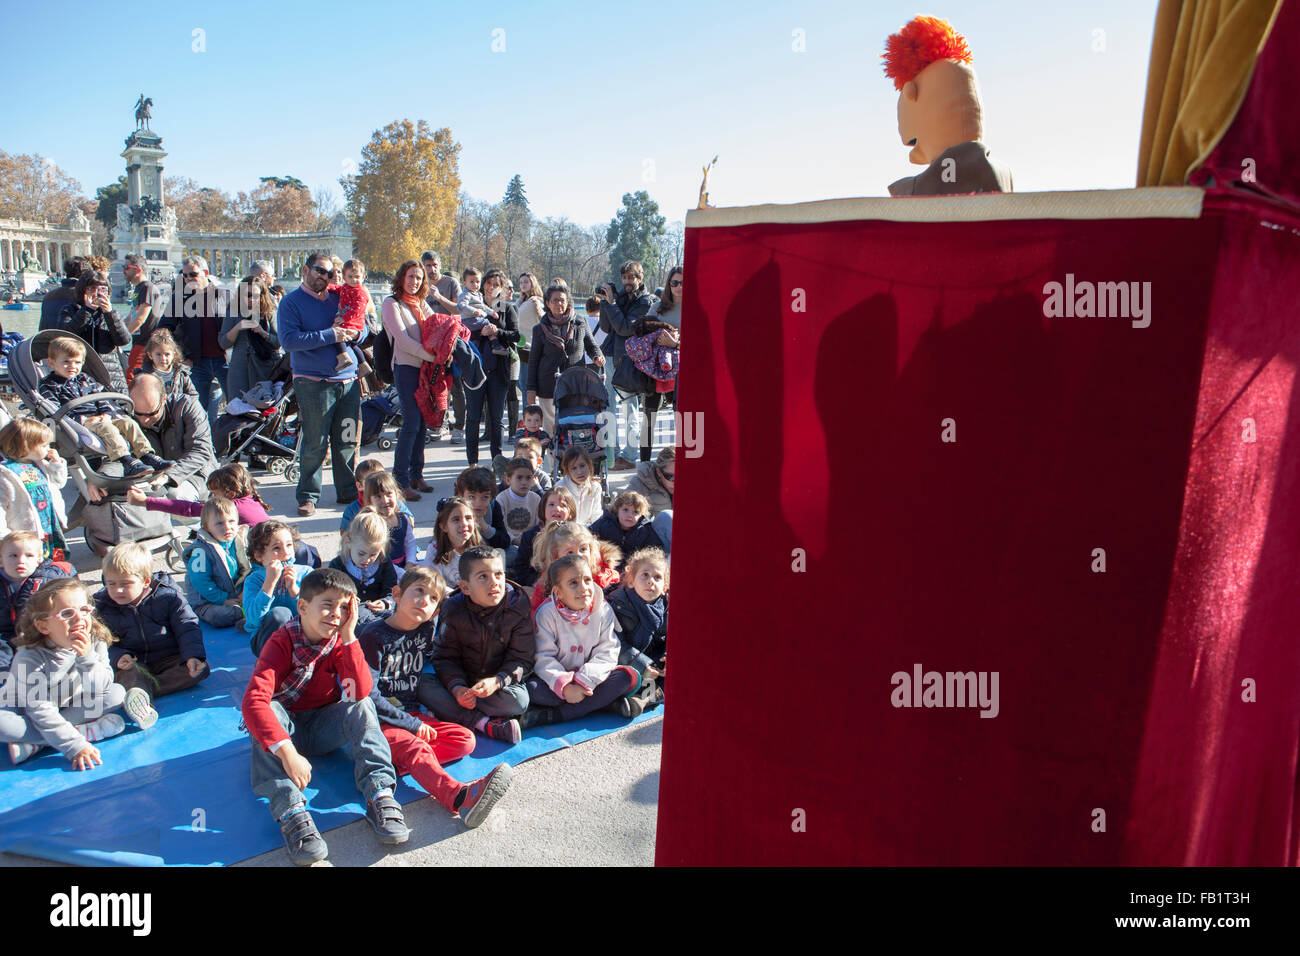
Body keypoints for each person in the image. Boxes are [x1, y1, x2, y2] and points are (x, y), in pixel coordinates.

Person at [241, 568, 409, 864]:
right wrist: (287, 752)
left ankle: (379, 793)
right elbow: (254, 700)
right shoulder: (282, 641)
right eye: (328, 605)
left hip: (320, 728)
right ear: (303, 607)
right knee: (269, 709)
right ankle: (291, 811)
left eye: (344, 607)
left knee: (361, 704)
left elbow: (358, 691)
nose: (336, 614)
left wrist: (349, 635)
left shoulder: (339, 642)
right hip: (285, 733)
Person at [359, 566, 513, 826]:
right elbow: (368, 695)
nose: (424, 601)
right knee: (416, 747)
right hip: (379, 722)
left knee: (465, 740)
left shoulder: (425, 630)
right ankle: (460, 798)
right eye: (419, 591)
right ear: (397, 594)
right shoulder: (373, 636)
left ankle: (393, 763)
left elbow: (450, 648)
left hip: (411, 714)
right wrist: (411, 725)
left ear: (436, 611)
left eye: (432, 598)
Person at [0, 579, 133, 767]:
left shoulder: (94, 639)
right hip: (24, 710)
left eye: (84, 610)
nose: (79, 619)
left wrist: (86, 658)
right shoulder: (29, 657)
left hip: (69, 703)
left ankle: (37, 743)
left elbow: (101, 686)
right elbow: (40, 709)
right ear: (43, 626)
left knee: (116, 693)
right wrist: (74, 745)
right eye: (67, 614)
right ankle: (84, 732)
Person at [278, 253, 367, 517]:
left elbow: (362, 327)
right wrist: (331, 335)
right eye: (320, 271)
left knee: (347, 439)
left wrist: (357, 333)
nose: (325, 277)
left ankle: (348, 492)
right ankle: (308, 495)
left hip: (348, 381)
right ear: (305, 270)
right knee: (315, 442)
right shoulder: (291, 302)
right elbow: (289, 341)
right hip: (313, 382)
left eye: (329, 273)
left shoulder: (340, 296)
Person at [424, 546, 533, 742]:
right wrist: (457, 687)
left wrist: (497, 681)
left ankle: (448, 712)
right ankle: (484, 724)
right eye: (483, 576)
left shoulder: (517, 605)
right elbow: (444, 656)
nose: (494, 582)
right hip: (462, 680)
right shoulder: (453, 608)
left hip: (496, 685)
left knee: (519, 701)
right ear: (465, 587)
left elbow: (521, 658)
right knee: (422, 685)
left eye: (499, 574)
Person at [94, 541, 206, 726]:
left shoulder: (169, 596)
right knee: (130, 675)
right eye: (111, 584)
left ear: (146, 581)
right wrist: (117, 656)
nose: (117, 590)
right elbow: (99, 640)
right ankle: (143, 708)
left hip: (167, 657)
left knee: (199, 670)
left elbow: (187, 626)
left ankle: (142, 692)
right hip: (133, 662)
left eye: (125, 584)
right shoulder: (102, 606)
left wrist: (193, 656)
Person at [522, 554, 640, 726]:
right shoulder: (546, 614)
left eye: (587, 580)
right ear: (558, 592)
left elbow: (608, 650)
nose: (583, 587)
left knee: (625, 678)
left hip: (592, 680)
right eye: (573, 583)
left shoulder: (602, 609)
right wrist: (565, 686)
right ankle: (603, 704)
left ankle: (555, 715)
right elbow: (542, 657)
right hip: (558, 682)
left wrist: (584, 681)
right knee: (533, 689)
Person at [38, 338, 167, 480]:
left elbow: (101, 398)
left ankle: (146, 454)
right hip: (77, 424)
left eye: (77, 362)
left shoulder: (85, 379)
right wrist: (83, 419)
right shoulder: (49, 385)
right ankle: (124, 460)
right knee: (107, 428)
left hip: (100, 418)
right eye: (66, 362)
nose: (72, 366)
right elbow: (54, 410)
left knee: (129, 423)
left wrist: (107, 413)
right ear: (51, 363)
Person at [382, 261, 442, 499]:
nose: (414, 281)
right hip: (406, 368)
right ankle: (400, 480)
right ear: (401, 278)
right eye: (411, 276)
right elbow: (403, 341)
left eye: (419, 278)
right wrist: (432, 356)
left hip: (425, 370)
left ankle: (417, 474)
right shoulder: (392, 303)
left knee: (422, 423)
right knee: (411, 423)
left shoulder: (421, 303)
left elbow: (437, 326)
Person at [122, 372, 217, 509]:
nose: (144, 420)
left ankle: (204, 520)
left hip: (195, 473)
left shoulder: (187, 405)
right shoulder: (126, 416)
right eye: (138, 413)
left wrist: (168, 476)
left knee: (175, 496)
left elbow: (201, 450)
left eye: (151, 413)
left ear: (163, 399)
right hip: (152, 478)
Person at [159, 255, 233, 421]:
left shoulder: (226, 295)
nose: (188, 279)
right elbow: (164, 329)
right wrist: (180, 356)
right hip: (196, 362)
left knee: (235, 405)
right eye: (184, 275)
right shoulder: (179, 299)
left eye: (193, 274)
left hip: (226, 360)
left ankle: (234, 436)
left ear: (205, 273)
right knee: (198, 411)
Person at [597, 261, 656, 470]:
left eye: (631, 277)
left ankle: (630, 456)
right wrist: (605, 302)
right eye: (624, 278)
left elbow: (624, 328)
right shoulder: (620, 297)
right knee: (609, 406)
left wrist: (612, 304)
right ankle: (612, 453)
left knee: (629, 407)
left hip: (630, 360)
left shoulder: (645, 302)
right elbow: (606, 326)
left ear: (640, 278)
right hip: (611, 356)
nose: (627, 282)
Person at [527, 282, 604, 435]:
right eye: (554, 300)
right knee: (551, 427)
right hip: (548, 385)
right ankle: (551, 451)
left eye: (562, 300)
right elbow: (533, 361)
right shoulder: (539, 329)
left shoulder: (580, 322)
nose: (559, 304)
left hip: (575, 385)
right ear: (547, 303)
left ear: (568, 301)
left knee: (573, 426)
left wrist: (597, 356)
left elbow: (592, 346)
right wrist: (531, 389)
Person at [462, 269, 520, 468]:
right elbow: (461, 332)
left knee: (496, 418)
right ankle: (472, 464)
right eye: (488, 283)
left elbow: (516, 336)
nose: (491, 287)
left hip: (498, 370)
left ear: (502, 288)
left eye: (496, 284)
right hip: (474, 368)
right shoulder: (471, 304)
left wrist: (497, 331)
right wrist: (481, 332)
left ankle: (497, 460)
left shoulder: (507, 308)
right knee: (473, 418)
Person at [628, 264, 682, 463]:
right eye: (674, 282)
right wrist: (656, 338)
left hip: (682, 371)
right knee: (649, 418)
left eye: (683, 282)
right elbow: (642, 333)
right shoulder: (657, 307)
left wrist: (676, 344)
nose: (679, 286)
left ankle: (685, 463)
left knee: (684, 420)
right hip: (656, 371)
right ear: (669, 284)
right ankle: (644, 465)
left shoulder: (695, 307)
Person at [605, 546, 668, 713]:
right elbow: (615, 643)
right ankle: (616, 702)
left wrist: (666, 658)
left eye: (657, 577)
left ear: (664, 587)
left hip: (652, 668)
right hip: (623, 663)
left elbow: (670, 639)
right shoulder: (618, 604)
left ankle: (643, 700)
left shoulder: (667, 607)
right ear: (631, 581)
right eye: (645, 575)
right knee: (621, 679)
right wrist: (642, 664)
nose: (651, 581)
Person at [0, 418, 73, 561]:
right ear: (25, 446)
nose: (49, 449)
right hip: (24, 533)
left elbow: (59, 482)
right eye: (44, 445)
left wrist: (56, 464)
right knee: (31, 563)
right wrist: (4, 536)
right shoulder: (6, 474)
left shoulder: (39, 464)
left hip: (48, 526)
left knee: (53, 560)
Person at [0, 530, 72, 673]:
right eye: (13, 555)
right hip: (3, 634)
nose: (21, 560)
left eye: (29, 555)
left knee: (39, 662)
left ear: (39, 559)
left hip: (37, 633)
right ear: (1, 560)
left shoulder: (48, 579)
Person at [243, 520, 315, 656]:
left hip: (302, 639)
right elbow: (253, 620)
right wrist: (269, 584)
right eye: (277, 548)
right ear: (259, 556)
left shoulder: (306, 573)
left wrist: (295, 592)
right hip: (266, 643)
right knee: (280, 613)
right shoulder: (253, 580)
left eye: (289, 545)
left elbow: (316, 613)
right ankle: (269, 661)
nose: (285, 553)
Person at [130, 460, 270, 528]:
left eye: (214, 494)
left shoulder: (231, 507)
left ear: (231, 494)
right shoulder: (251, 501)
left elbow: (188, 508)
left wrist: (146, 501)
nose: (212, 498)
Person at [57, 268, 133, 393]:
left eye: (102, 289)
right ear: (83, 291)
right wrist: (87, 311)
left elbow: (124, 340)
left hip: (111, 374)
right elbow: (65, 336)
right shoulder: (70, 310)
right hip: (81, 372)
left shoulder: (110, 314)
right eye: (92, 289)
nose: (97, 293)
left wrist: (109, 314)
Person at [526, 520, 621, 615]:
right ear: (555, 557)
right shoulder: (546, 583)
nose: (578, 555)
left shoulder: (603, 578)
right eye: (570, 552)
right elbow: (536, 613)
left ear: (591, 550)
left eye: (583, 549)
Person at [183, 497, 250, 628]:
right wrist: (224, 600)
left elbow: (251, 569)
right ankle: (245, 614)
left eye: (231, 521)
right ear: (206, 527)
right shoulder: (201, 551)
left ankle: (246, 612)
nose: (227, 527)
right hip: (208, 602)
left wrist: (245, 590)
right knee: (220, 616)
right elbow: (201, 582)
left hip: (236, 595)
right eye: (219, 523)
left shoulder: (239, 542)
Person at [421, 252, 465, 441]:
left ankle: (459, 426)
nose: (431, 269)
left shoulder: (450, 283)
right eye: (428, 265)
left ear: (440, 265)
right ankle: (441, 424)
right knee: (436, 385)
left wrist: (439, 297)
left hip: (451, 339)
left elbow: (459, 309)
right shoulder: (421, 283)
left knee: (456, 386)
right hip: (430, 342)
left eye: (434, 265)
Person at [330, 510, 399, 628]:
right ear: (349, 542)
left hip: (379, 616)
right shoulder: (338, 565)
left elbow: (392, 591)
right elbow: (331, 595)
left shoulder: (384, 562)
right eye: (361, 553)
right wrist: (346, 600)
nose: (366, 559)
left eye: (373, 554)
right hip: (349, 619)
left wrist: (384, 603)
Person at [219, 274, 281, 403]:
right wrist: (237, 327)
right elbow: (223, 343)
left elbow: (278, 343)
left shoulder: (269, 312)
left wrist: (263, 333)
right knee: (239, 407)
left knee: (265, 405)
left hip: (264, 367)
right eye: (248, 295)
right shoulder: (233, 311)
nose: (251, 299)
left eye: (256, 296)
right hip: (240, 369)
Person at [511, 486, 578, 588]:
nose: (557, 509)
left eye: (563, 505)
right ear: (543, 509)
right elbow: (520, 569)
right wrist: (537, 583)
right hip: (537, 586)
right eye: (551, 504)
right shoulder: (530, 536)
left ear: (570, 512)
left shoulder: (575, 537)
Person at [588, 490, 663, 570]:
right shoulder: (605, 524)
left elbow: (655, 549)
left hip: (632, 569)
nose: (630, 515)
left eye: (636, 512)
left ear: (641, 516)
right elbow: (588, 536)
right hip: (605, 566)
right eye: (625, 510)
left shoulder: (644, 531)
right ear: (617, 510)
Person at [361, 471, 417, 569]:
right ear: (370, 500)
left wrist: (410, 563)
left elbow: (410, 543)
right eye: (378, 496)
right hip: (381, 568)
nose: (385, 500)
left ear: (396, 494)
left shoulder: (403, 518)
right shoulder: (372, 523)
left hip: (404, 565)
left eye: (389, 494)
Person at [422, 497, 481, 590]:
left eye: (468, 518)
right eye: (456, 520)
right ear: (444, 526)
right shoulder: (435, 551)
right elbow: (433, 583)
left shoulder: (477, 548)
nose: (464, 524)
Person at [339, 459, 413, 533]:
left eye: (382, 477)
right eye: (370, 481)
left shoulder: (396, 504)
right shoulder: (353, 510)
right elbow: (345, 534)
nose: (377, 483)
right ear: (359, 486)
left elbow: (410, 523)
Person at [123, 253, 166, 376]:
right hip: (138, 342)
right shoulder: (138, 288)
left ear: (138, 270)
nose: (123, 271)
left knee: (132, 376)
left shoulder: (147, 287)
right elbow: (131, 315)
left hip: (145, 344)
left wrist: (123, 337)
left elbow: (140, 318)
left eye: (126, 267)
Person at [626, 447, 674, 554]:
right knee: (666, 517)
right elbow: (618, 511)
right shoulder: (641, 484)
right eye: (670, 477)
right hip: (651, 545)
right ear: (659, 472)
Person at [330, 258, 375, 373]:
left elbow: (367, 325)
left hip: (351, 324)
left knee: (339, 335)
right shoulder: (345, 288)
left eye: (338, 271)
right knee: (348, 342)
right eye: (332, 273)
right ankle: (363, 364)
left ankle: (344, 357)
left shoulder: (359, 291)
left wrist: (357, 334)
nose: (336, 276)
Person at [496, 457, 540, 562]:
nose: (524, 482)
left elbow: (539, 524)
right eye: (519, 478)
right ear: (508, 480)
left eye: (528, 478)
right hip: (509, 543)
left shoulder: (536, 499)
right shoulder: (501, 499)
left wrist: (530, 540)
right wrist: (514, 539)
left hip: (531, 542)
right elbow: (500, 527)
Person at [136, 328, 198, 399]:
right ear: (150, 355)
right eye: (158, 354)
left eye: (167, 354)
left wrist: (183, 404)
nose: (163, 358)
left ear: (173, 354)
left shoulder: (182, 374)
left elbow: (193, 395)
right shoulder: (143, 376)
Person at [38, 256, 87, 331]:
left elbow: (42, 326)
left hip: (48, 337)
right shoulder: (83, 296)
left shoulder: (48, 296)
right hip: (69, 337)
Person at [557, 446, 602, 526]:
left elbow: (596, 514)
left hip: (589, 529)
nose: (579, 472)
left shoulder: (595, 487)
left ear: (589, 465)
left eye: (582, 466)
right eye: (574, 468)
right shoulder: (560, 488)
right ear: (567, 471)